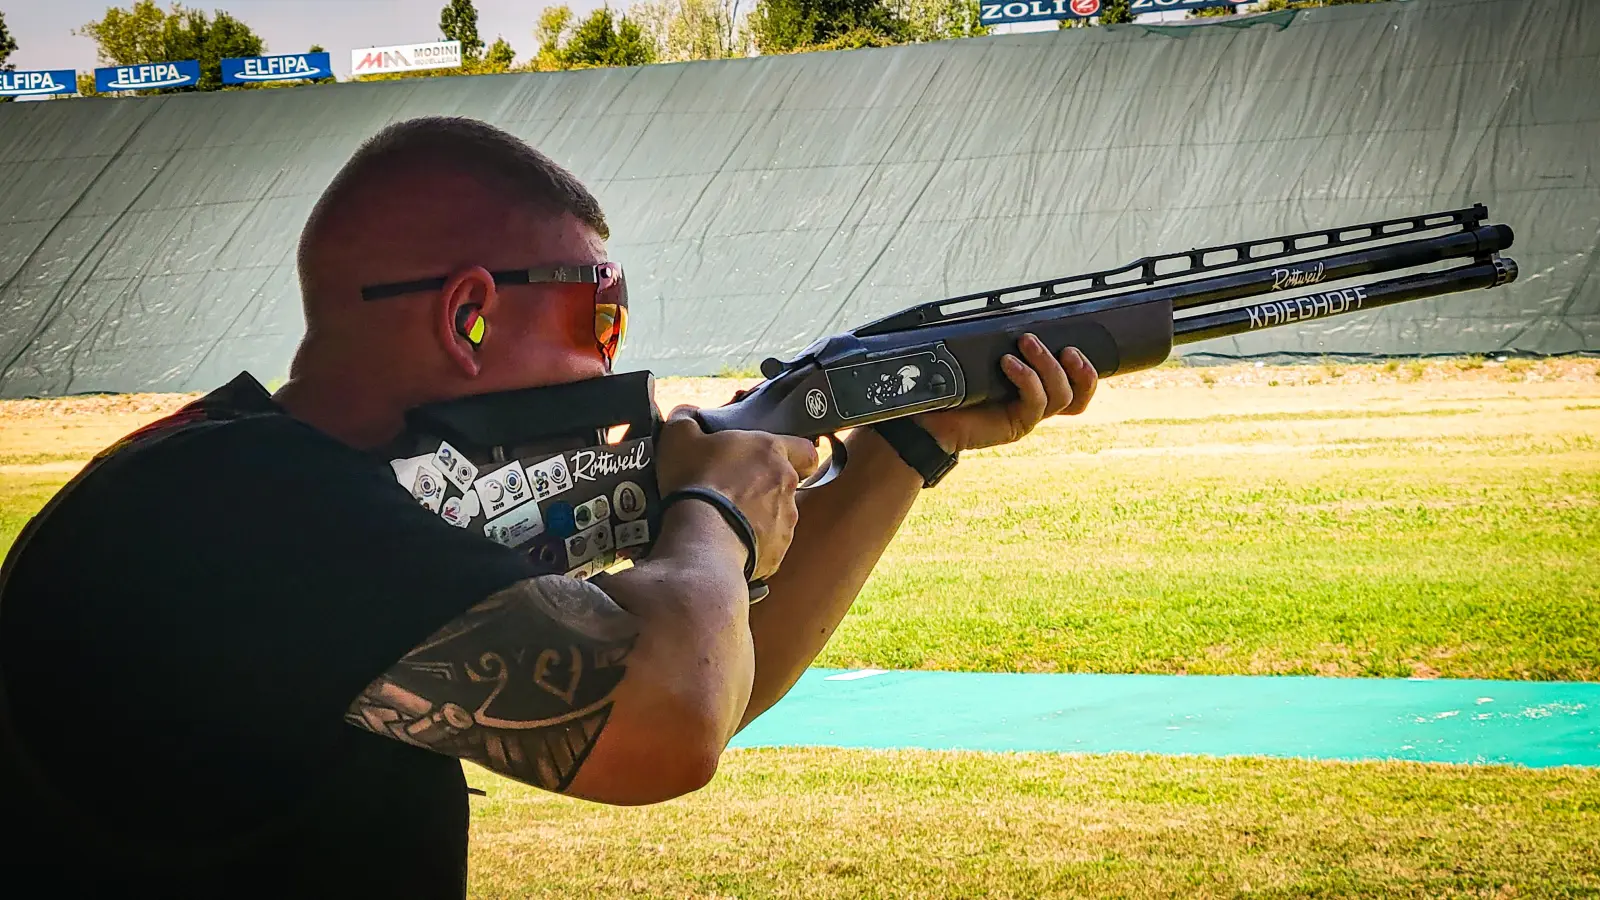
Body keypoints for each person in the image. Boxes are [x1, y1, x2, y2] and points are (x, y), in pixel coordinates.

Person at [0, 116, 1098, 897]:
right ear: (469, 313)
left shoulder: (240, 487)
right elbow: (665, 730)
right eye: (601, 323)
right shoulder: (253, 515)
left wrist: (905, 447)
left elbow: (698, 682)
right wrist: (709, 511)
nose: (613, 370)